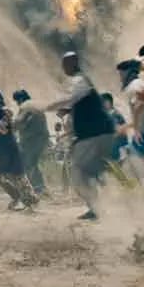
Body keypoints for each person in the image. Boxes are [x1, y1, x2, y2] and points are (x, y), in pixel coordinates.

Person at [40, 51, 116, 220]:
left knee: (77, 172)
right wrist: (68, 109)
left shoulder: (79, 80)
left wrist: (47, 106)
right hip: (101, 132)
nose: (63, 67)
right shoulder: (83, 82)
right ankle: (110, 205)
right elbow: (78, 101)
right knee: (95, 172)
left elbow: (69, 97)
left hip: (94, 134)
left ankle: (97, 209)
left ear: (74, 62)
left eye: (66, 63)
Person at [0, 86, 36, 210]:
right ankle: (23, 197)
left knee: (13, 173)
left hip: (4, 144)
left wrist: (2, 125)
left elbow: (5, 122)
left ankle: (25, 198)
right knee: (6, 173)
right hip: (0, 144)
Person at [12, 90, 49, 195]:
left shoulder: (27, 107)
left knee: (29, 163)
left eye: (17, 101)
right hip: (38, 139)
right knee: (31, 163)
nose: (17, 103)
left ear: (20, 99)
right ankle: (40, 187)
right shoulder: (35, 107)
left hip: (33, 140)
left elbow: (18, 123)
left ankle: (37, 189)